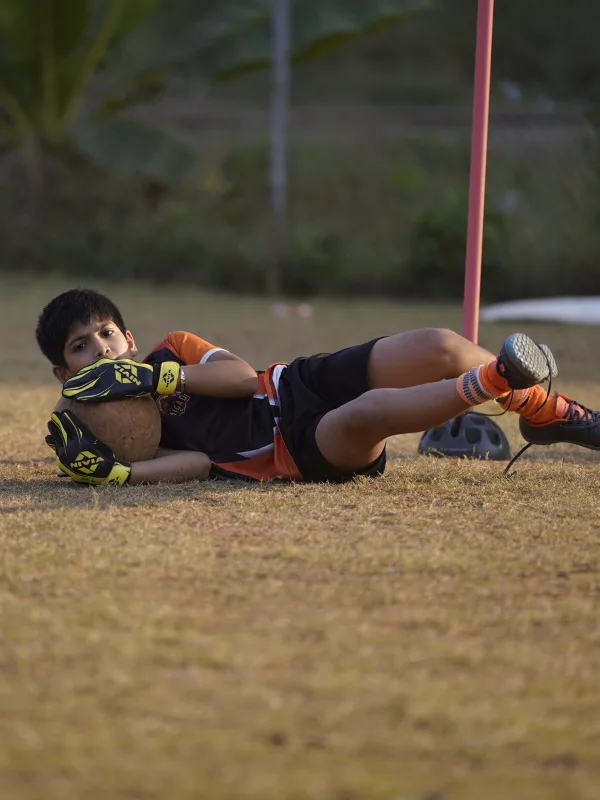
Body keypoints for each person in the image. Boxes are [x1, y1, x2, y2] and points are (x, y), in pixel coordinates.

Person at [37, 288, 599, 487]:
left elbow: (237, 377)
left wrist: (156, 375)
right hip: (296, 450)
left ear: (129, 338)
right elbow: (198, 464)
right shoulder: (95, 427)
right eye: (80, 346)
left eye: (107, 334)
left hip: (297, 383)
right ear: (65, 373)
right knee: (370, 412)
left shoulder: (170, 350)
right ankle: (501, 379)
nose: (101, 349)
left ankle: (539, 408)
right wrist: (120, 472)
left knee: (441, 347)